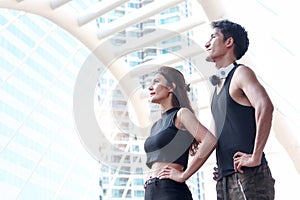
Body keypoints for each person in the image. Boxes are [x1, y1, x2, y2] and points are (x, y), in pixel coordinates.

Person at [205, 19, 275, 199]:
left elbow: (265, 106)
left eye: (213, 37)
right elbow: (213, 137)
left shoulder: (241, 73)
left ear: (229, 42)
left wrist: (255, 156)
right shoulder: (216, 89)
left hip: (248, 176)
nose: (207, 43)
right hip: (225, 178)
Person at [144, 66, 217, 200]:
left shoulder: (181, 114)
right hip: (151, 191)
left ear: (171, 87)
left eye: (156, 82)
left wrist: (184, 175)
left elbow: (210, 141)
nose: (150, 87)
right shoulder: (155, 126)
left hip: (170, 190)